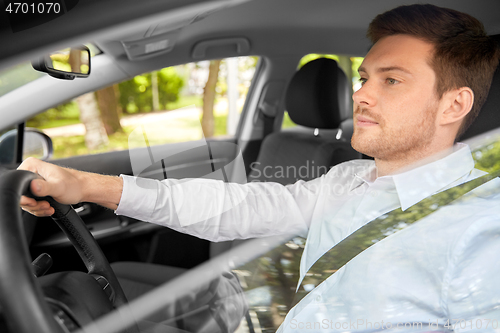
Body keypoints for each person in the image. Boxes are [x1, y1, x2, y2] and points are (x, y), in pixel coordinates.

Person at [19, 3, 500, 332]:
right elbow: (237, 207)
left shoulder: (479, 231)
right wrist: (85, 184)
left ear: (453, 104)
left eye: (391, 80)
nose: (361, 94)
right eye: (363, 77)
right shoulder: (351, 179)